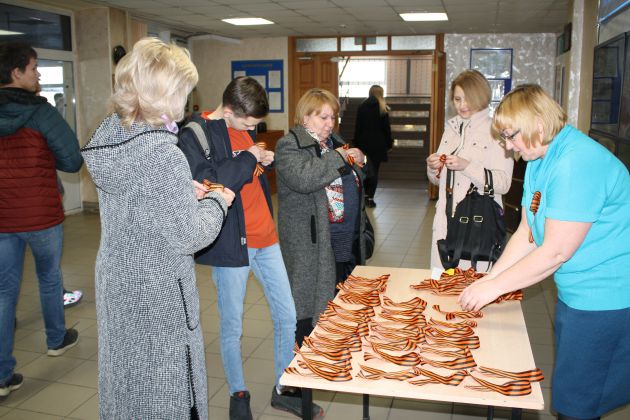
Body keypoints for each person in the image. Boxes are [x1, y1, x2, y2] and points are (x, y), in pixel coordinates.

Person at [81, 38, 234, 419]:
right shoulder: (163, 154)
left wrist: (181, 193)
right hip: (158, 292)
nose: (186, 99)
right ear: (166, 93)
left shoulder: (114, 138)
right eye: (183, 89)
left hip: (121, 283)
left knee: (129, 382)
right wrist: (217, 202)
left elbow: (140, 202)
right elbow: (189, 235)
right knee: (168, 391)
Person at [458, 84, 630, 420]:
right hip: (576, 295)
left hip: (608, 300)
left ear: (538, 123)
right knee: (575, 396)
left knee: (576, 406)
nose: (509, 146)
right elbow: (528, 233)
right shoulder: (539, 158)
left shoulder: (577, 162)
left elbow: (555, 252)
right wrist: (490, 279)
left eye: (511, 136)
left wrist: (494, 288)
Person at [178, 77, 321, 420]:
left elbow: (246, 173)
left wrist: (260, 160)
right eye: (248, 124)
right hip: (231, 244)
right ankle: (238, 393)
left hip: (266, 238)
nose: (252, 129)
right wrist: (249, 157)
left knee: (287, 316)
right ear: (229, 111)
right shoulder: (196, 134)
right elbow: (213, 182)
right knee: (232, 325)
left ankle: (283, 388)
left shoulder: (244, 127)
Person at [0, 42, 82, 397]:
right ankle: (56, 339)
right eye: (34, 68)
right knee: (49, 278)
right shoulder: (41, 112)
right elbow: (72, 160)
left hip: (2, 217)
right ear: (16, 72)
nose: (38, 74)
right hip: (41, 214)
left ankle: (2, 376)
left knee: (4, 292)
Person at [275, 88, 368, 346]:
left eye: (333, 117)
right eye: (323, 117)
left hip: (343, 238)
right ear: (305, 117)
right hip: (311, 246)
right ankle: (303, 367)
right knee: (309, 310)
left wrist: (362, 160)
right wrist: (339, 158)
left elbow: (356, 178)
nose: (330, 124)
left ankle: (336, 354)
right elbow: (305, 179)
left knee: (341, 305)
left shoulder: (334, 142)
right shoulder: (289, 145)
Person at [426, 69, 513, 279]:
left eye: (468, 99)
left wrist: (467, 166)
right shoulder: (451, 129)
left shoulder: (496, 131)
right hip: (444, 224)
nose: (462, 105)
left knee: (471, 290)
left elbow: (503, 184)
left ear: (481, 97)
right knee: (439, 285)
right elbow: (438, 181)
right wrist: (433, 167)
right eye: (457, 99)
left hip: (477, 225)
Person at [353, 84, 393, 208]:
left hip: (363, 144)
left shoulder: (362, 107)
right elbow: (386, 129)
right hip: (378, 144)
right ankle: (370, 198)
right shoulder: (382, 108)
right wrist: (389, 143)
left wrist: (356, 143)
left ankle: (363, 196)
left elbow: (358, 127)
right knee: (374, 170)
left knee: (364, 170)